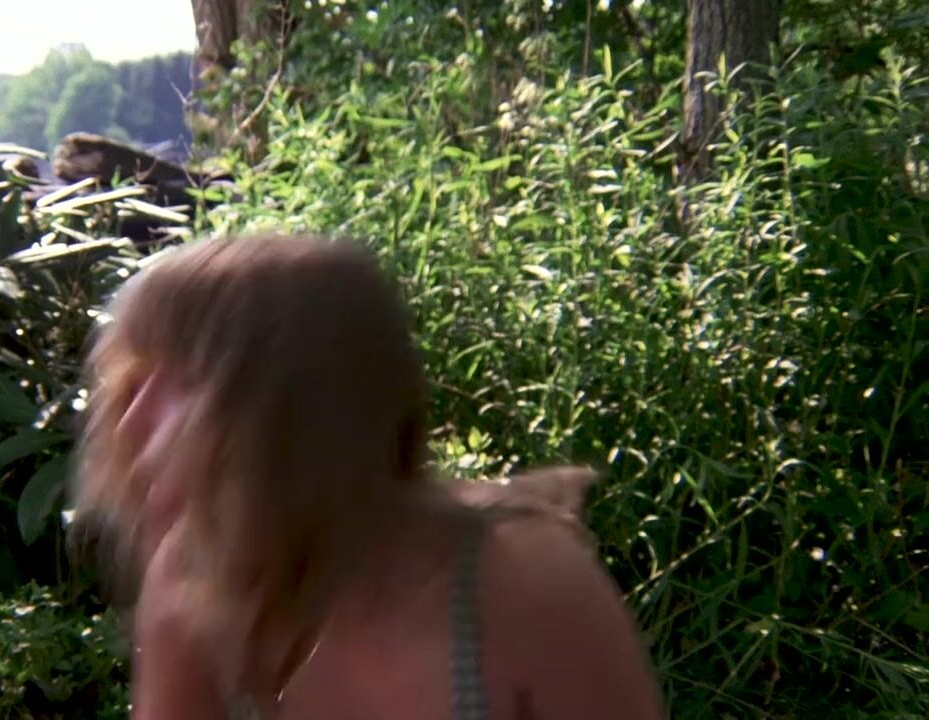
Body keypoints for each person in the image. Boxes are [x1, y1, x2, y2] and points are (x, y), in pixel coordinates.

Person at [70, 233, 665, 720]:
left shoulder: (527, 582)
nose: (132, 418)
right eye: (135, 379)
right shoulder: (190, 582)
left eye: (183, 378)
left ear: (304, 410)